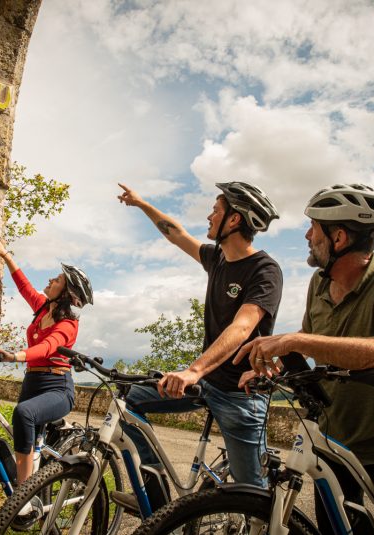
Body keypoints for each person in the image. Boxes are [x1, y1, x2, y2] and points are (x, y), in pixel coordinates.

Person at [234, 183, 374, 535]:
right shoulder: (318, 283)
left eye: (313, 227)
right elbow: (310, 349)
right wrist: (273, 368)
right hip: (332, 442)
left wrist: (293, 340)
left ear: (339, 237)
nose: (307, 235)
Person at [116, 181, 283, 496]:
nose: (209, 216)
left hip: (241, 396)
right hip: (207, 382)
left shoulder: (265, 270)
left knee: (252, 496)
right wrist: (141, 203)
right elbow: (176, 233)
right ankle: (157, 495)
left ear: (234, 220)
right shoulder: (217, 258)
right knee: (129, 401)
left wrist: (193, 370)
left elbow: (242, 327)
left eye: (215, 211)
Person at [0, 234, 93, 484]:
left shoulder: (68, 324)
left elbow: (46, 347)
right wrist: (5, 254)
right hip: (32, 382)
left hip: (57, 387)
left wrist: (13, 356)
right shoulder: (43, 307)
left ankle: (23, 495)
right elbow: (24, 286)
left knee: (24, 413)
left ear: (66, 293)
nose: (52, 279)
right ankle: (32, 489)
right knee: (26, 440)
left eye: (58, 279)